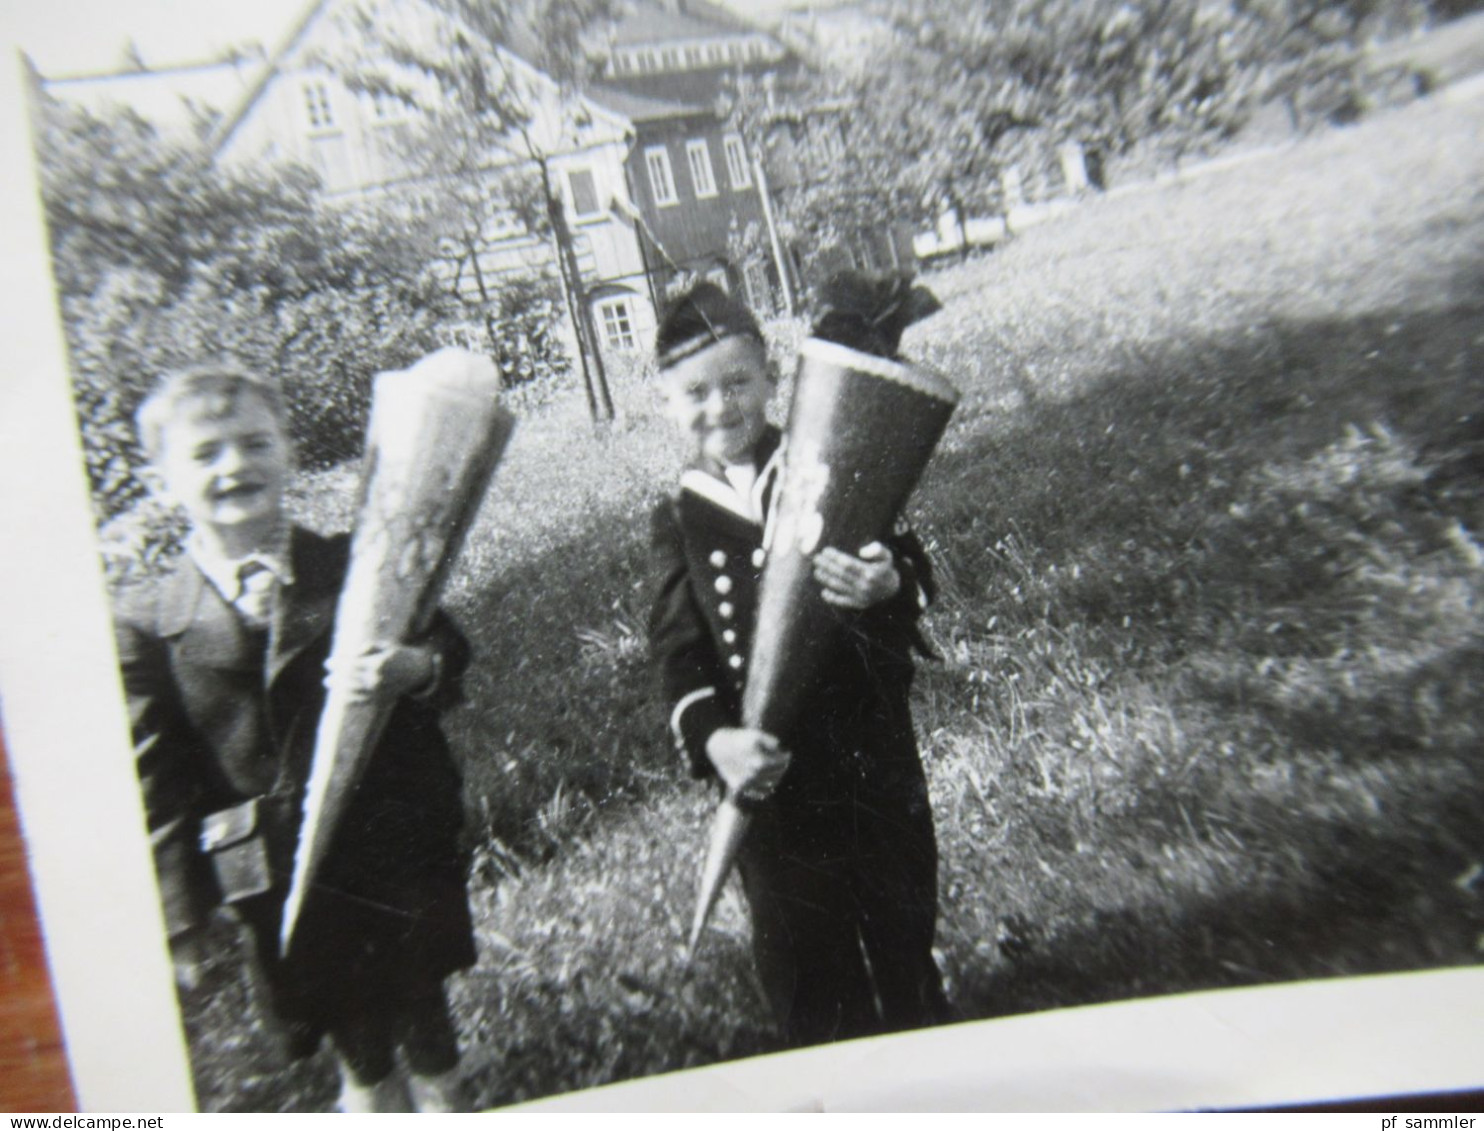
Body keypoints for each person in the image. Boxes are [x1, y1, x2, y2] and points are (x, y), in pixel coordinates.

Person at [113, 365, 476, 1112]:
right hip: (276, 876)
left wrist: (415, 667)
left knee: (424, 1014)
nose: (235, 465)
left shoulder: (354, 564)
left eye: (254, 443)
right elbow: (158, 781)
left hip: (390, 846)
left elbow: (445, 646)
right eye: (206, 452)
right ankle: (369, 1099)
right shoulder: (149, 623)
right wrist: (181, 920)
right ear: (161, 482)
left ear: (291, 452)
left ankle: (447, 1096)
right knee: (353, 1039)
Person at [646, 282, 951, 1047]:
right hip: (774, 790)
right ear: (664, 404)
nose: (720, 406)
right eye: (695, 392)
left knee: (900, 935)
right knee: (809, 978)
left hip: (868, 756)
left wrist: (888, 584)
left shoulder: (834, 452)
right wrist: (715, 740)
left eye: (739, 382)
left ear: (774, 378)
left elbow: (909, 563)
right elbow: (677, 653)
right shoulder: (677, 517)